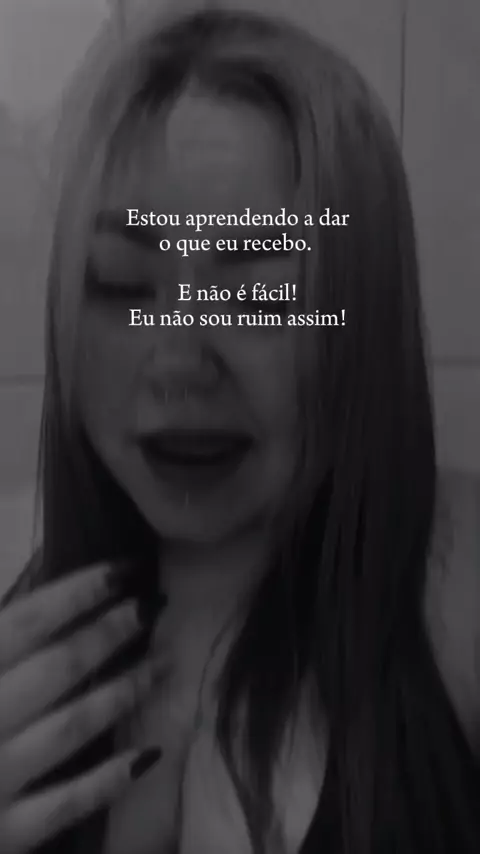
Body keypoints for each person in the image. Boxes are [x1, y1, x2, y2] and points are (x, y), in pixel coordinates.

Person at [0, 4, 479, 853]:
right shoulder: (15, 573)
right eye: (123, 284)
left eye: (259, 296)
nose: (179, 363)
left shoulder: (458, 586)